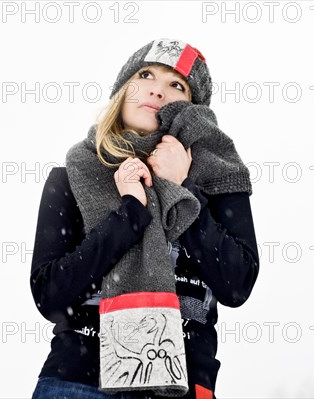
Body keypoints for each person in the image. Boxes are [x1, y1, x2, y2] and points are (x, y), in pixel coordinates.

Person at [29, 38, 260, 399]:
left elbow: (236, 284)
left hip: (181, 385)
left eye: (176, 84)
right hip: (77, 383)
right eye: (146, 74)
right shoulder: (73, 176)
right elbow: (51, 297)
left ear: (192, 109)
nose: (157, 90)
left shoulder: (218, 178)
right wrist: (128, 216)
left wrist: (183, 188)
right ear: (123, 90)